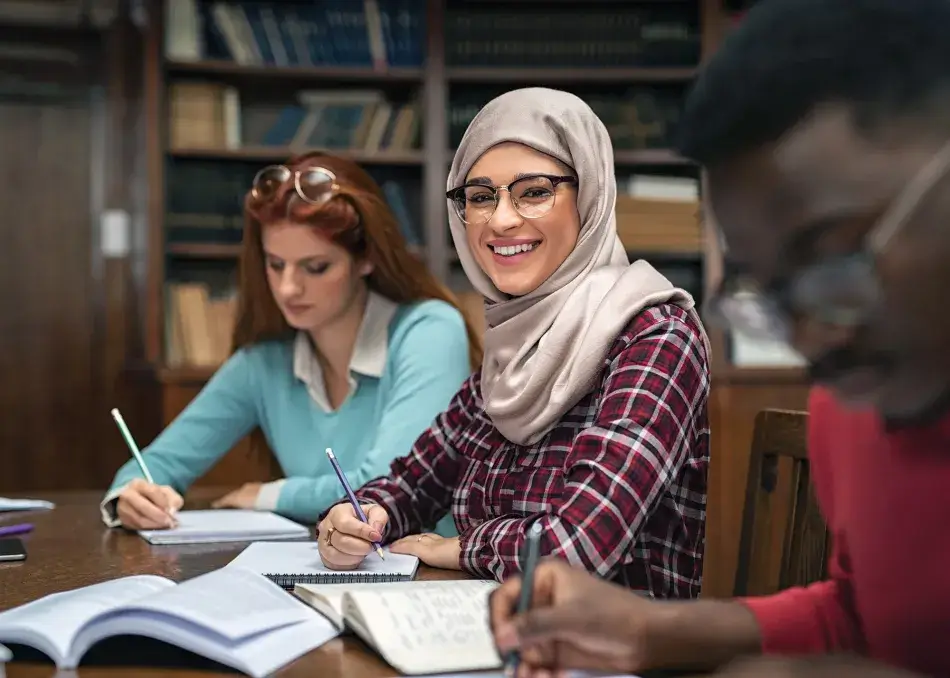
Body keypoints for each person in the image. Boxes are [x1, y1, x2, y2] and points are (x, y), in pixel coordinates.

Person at [487, 1, 950, 677]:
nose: (812, 339)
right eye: (772, 293)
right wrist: (647, 628)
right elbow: (864, 615)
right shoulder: (850, 404)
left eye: (833, 262)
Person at [316, 88, 711, 597]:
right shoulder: (511, 346)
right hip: (490, 629)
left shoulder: (656, 337)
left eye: (534, 191)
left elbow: (579, 547)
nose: (501, 220)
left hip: (615, 652)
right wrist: (358, 516)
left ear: (589, 193)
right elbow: (414, 482)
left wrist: (462, 547)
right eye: (480, 197)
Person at [101, 151, 481, 530]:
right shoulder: (263, 363)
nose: (288, 288)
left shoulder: (430, 331)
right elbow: (157, 464)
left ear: (366, 258)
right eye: (275, 264)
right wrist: (131, 496)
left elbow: (390, 485)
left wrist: (270, 495)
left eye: (316, 267)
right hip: (323, 570)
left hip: (428, 576)